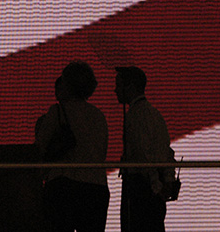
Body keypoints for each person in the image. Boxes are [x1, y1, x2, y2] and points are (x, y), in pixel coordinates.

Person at [35, 61, 110, 232]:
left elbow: (40, 147)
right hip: (97, 188)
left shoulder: (58, 111)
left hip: (64, 186)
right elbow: (101, 152)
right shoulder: (99, 116)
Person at [115, 66, 176, 232]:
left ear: (131, 87)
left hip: (141, 187)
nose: (115, 90)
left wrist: (154, 185)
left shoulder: (136, 115)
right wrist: (167, 181)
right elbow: (166, 152)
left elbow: (142, 155)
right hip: (153, 187)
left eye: (119, 85)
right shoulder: (154, 114)